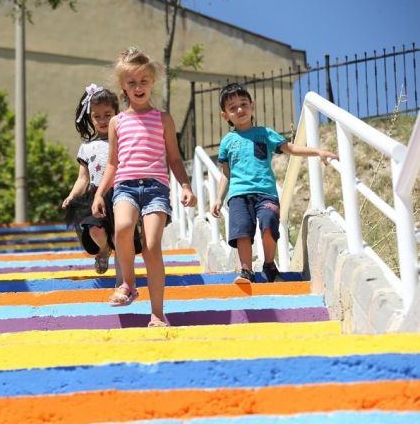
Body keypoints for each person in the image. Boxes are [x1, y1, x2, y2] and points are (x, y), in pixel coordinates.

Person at [92, 47, 197, 328]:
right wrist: (101, 193)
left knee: (151, 246)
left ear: (152, 82)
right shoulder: (117, 122)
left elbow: (174, 158)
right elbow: (113, 164)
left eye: (144, 81)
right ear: (122, 87)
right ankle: (128, 283)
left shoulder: (163, 118)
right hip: (125, 186)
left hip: (156, 189)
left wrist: (185, 186)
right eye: (132, 82)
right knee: (123, 228)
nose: (138, 87)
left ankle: (158, 312)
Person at [211, 82, 337, 284]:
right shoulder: (228, 141)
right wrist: (218, 198)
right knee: (242, 232)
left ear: (253, 105)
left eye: (243, 104)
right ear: (225, 115)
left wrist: (318, 151)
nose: (240, 110)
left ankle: (269, 265)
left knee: (269, 224)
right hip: (238, 195)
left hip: (266, 193)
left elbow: (292, 148)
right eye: (233, 108)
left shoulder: (265, 134)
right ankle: (246, 271)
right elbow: (226, 172)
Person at [62, 84, 142, 279]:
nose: (103, 120)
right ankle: (104, 248)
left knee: (120, 237)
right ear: (90, 118)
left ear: (117, 113)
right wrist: (72, 195)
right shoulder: (87, 147)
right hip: (96, 197)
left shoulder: (124, 140)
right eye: (97, 116)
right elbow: (83, 178)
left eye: (108, 114)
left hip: (121, 194)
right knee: (95, 230)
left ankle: (123, 282)